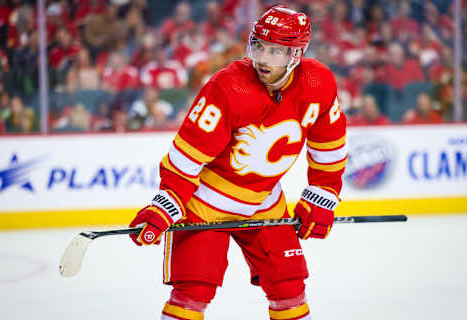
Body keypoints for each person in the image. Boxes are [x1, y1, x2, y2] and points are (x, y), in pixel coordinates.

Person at [129, 5, 347, 320]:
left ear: (296, 54)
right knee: (193, 291)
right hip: (206, 203)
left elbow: (329, 145)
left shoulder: (318, 83)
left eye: (274, 51)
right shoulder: (229, 85)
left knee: (288, 286)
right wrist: (164, 205)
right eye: (258, 45)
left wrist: (323, 195)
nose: (262, 58)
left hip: (265, 200)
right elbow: (186, 156)